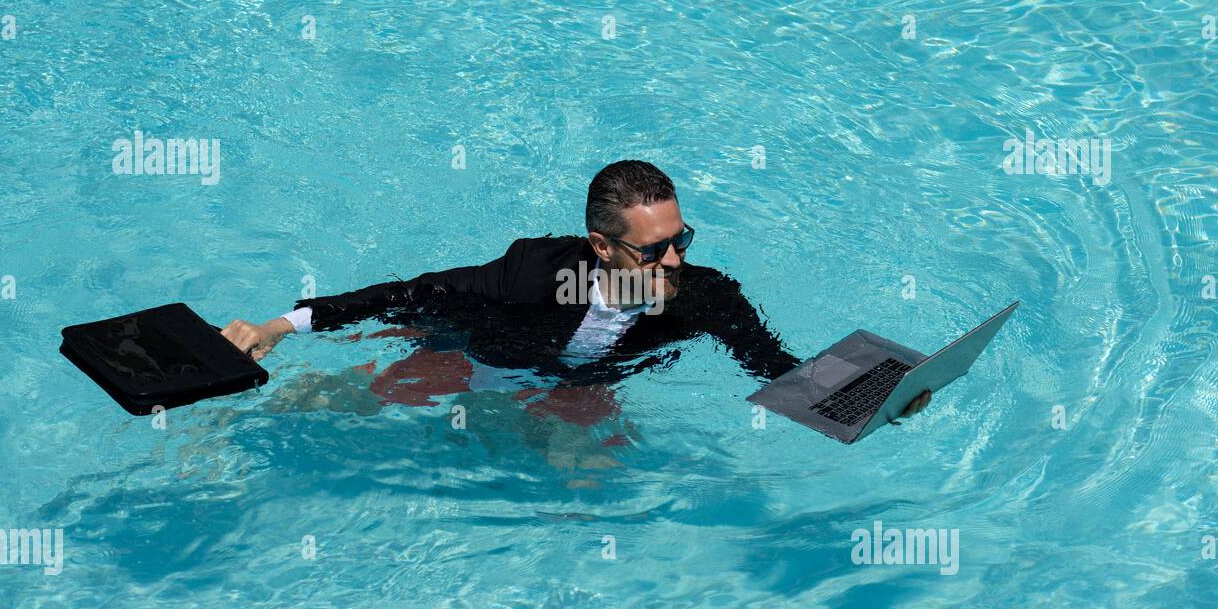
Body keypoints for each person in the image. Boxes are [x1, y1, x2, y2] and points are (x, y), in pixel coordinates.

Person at [220, 160, 931, 419]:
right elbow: (412, 293)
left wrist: (879, 398)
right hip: (482, 354)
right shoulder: (536, 273)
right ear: (600, 246)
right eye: (654, 251)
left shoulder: (703, 295)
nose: (674, 263)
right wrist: (279, 326)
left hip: (583, 382)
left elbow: (774, 367)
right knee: (357, 408)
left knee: (590, 490)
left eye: (682, 240)